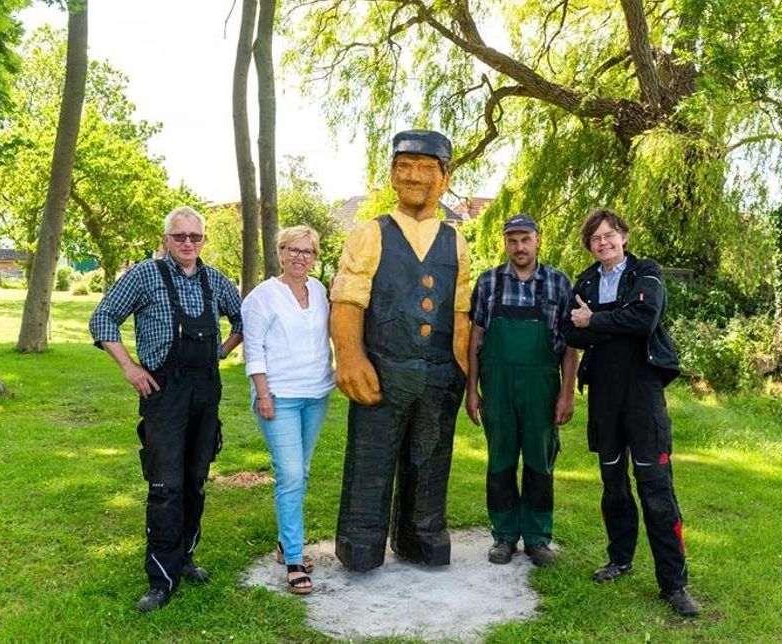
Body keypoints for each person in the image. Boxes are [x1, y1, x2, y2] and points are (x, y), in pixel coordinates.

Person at [89, 206, 243, 612]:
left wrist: (221, 352)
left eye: (195, 236)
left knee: (195, 479)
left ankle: (185, 557)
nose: (188, 243)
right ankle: (160, 577)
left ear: (203, 240)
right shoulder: (144, 275)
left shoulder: (216, 281)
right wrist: (129, 367)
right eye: (180, 237)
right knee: (165, 485)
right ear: (166, 239)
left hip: (206, 391)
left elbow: (245, 319)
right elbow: (103, 317)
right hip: (164, 392)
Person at [330, 129, 470, 572]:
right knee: (372, 459)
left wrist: (467, 374)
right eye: (405, 167)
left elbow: (462, 310)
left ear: (444, 179)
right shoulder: (370, 233)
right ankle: (361, 544)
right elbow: (347, 299)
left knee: (430, 460)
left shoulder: (456, 240)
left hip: (439, 374)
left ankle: (422, 537)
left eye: (427, 168)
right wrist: (350, 357)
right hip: (384, 371)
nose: (415, 177)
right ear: (391, 174)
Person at [563, 208, 700, 617]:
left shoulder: (647, 271)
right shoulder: (585, 281)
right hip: (604, 393)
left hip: (642, 391)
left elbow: (644, 319)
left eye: (609, 235)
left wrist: (595, 321)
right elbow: (570, 330)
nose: (603, 243)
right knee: (613, 482)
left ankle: (673, 584)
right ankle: (619, 559)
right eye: (595, 239)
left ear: (623, 235)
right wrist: (595, 323)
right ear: (590, 245)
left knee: (655, 487)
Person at [466, 214, 577, 567]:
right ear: (505, 243)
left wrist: (567, 394)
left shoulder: (559, 283)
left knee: (539, 461)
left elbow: (571, 346)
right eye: (512, 240)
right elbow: (475, 339)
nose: (519, 247)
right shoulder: (489, 282)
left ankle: (538, 536)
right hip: (496, 385)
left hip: (542, 385)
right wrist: (472, 390)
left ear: (537, 240)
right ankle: (504, 535)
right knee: (500, 460)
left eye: (525, 239)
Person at [241, 225, 335, 594]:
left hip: (316, 393)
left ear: (315, 257)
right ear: (280, 252)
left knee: (302, 470)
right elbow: (254, 350)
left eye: (308, 251)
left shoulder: (319, 290)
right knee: (292, 474)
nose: (300, 257)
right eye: (293, 250)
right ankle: (295, 558)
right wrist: (263, 394)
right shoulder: (261, 297)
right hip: (278, 396)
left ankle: (285, 543)